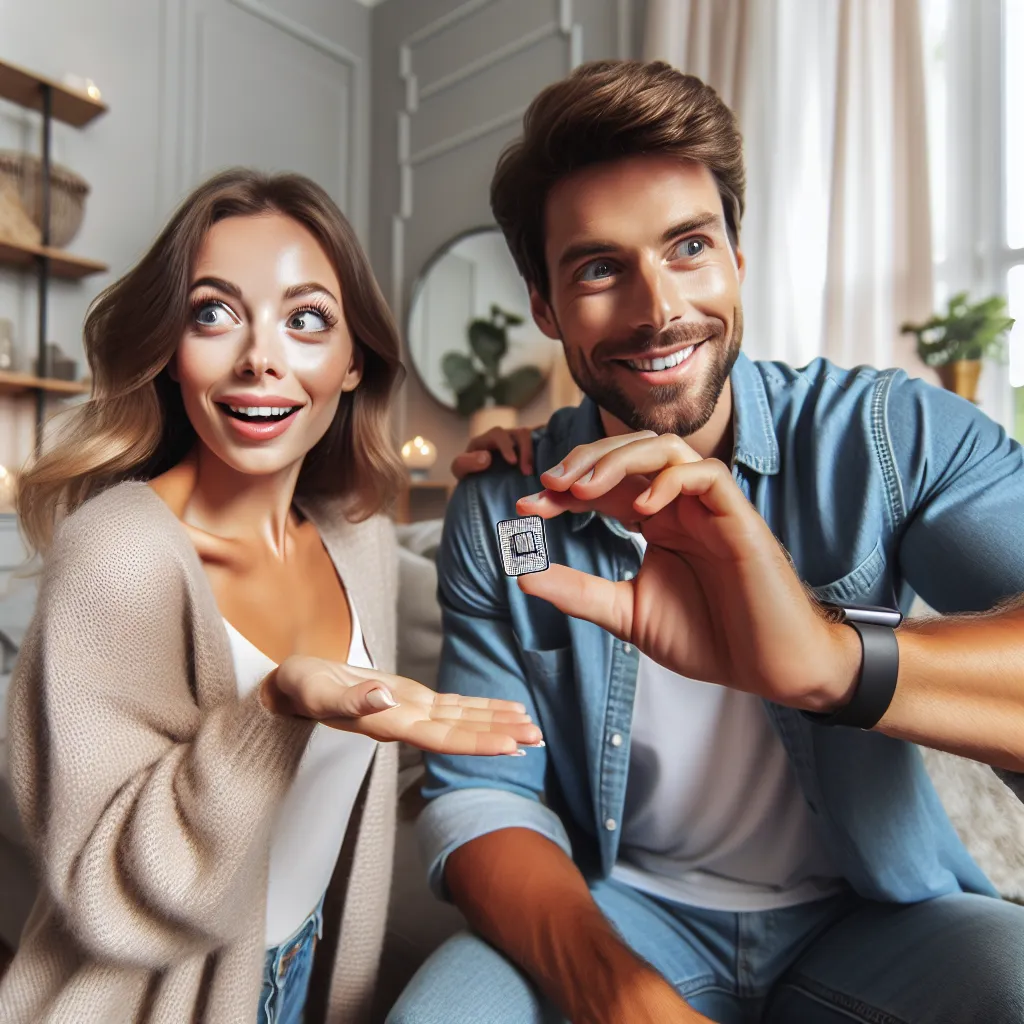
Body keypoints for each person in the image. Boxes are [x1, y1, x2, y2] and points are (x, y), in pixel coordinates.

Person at [388, 60, 1024, 1024]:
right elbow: (485, 796)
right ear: (546, 307)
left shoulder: (891, 437)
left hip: (874, 919)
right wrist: (621, 996)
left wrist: (830, 662)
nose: (657, 309)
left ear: (736, 253)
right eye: (599, 267)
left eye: (688, 246)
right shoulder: (503, 505)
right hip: (627, 912)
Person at [0, 169, 542, 1024]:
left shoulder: (355, 531)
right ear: (171, 351)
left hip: (310, 967)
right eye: (212, 313)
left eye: (306, 320)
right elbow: (103, 891)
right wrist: (275, 709)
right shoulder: (119, 555)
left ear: (353, 359)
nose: (260, 358)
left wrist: (523, 462)